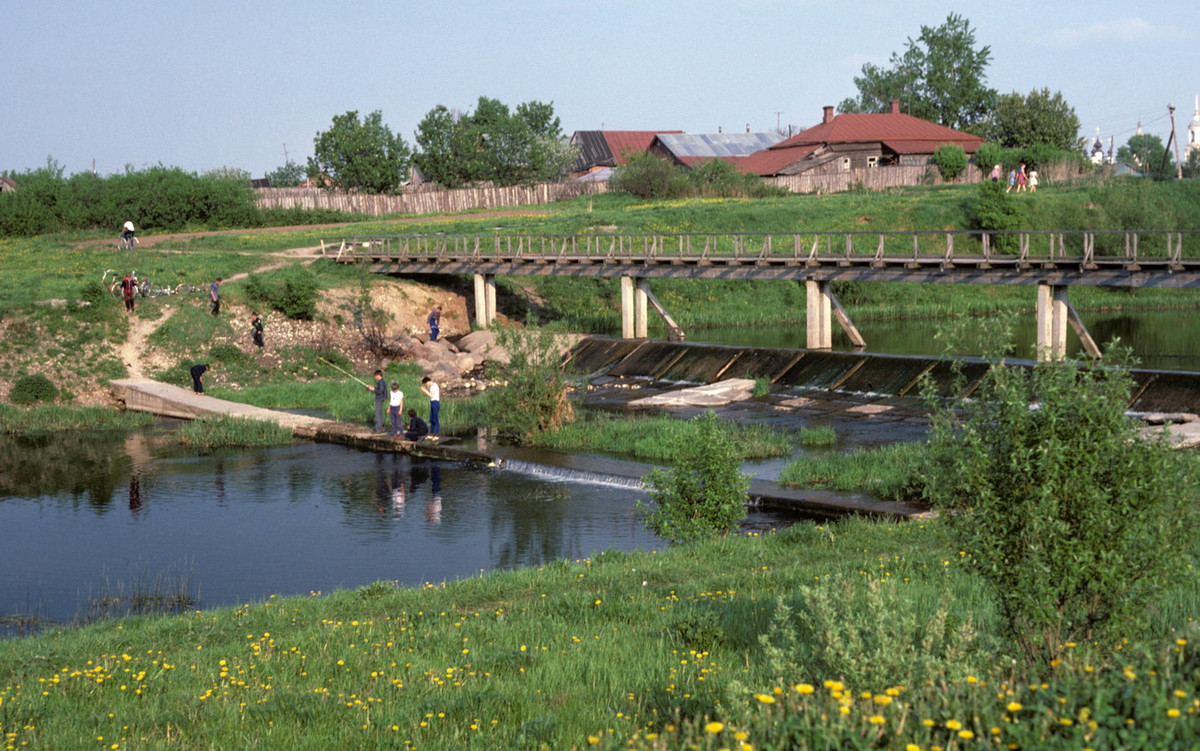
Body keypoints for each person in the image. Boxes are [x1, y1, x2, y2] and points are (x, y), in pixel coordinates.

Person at [420, 375, 440, 440]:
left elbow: (431, 395)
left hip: (435, 403)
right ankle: (431, 434)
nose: (426, 385)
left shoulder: (434, 386)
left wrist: (425, 391)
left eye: (426, 384)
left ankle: (437, 435)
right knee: (431, 419)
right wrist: (424, 391)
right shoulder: (431, 386)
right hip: (432, 403)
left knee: (435, 419)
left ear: (428, 381)